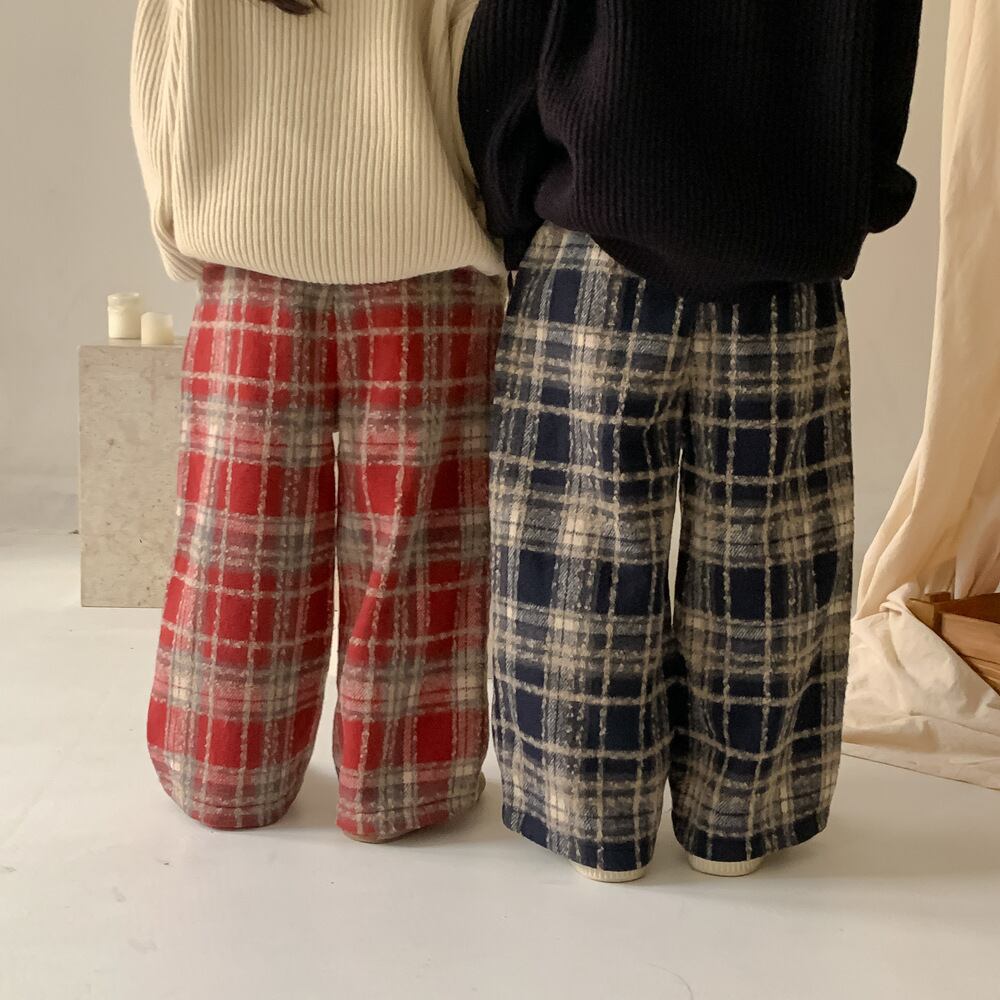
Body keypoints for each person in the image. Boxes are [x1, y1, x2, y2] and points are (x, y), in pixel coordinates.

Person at [460, 1, 922, 881]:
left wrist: (517, 198)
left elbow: (513, 44)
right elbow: (885, 50)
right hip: (783, 259)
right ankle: (739, 822)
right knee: (772, 559)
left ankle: (594, 823)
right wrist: (843, 196)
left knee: (580, 557)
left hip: (593, 243)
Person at [131, 0, 505, 841]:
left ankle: (221, 773)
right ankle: (402, 789)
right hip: (426, 268)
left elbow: (164, 88)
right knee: (415, 556)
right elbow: (479, 84)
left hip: (249, 273)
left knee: (237, 550)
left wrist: (192, 236)